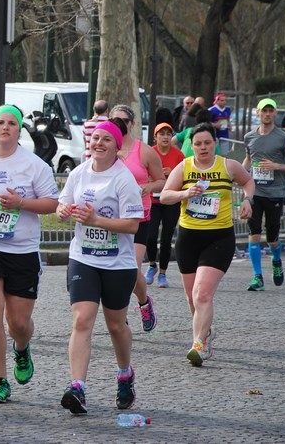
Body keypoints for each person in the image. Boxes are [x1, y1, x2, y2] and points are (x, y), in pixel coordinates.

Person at [0, 105, 59, 404]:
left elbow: (52, 204)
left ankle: (21, 346)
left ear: (19, 130)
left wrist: (20, 203)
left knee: (18, 323)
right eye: (0, 122)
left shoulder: (34, 165)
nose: (5, 127)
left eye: (11, 123)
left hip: (21, 248)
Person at [55, 119, 144, 414]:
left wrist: (96, 221)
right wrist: (64, 210)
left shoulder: (124, 179)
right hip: (83, 257)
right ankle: (77, 387)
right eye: (95, 139)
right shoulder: (78, 174)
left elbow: (132, 225)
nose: (98, 144)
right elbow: (60, 207)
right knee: (82, 320)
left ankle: (124, 374)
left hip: (118, 263)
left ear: (117, 147)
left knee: (116, 325)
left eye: (106, 140)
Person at [159, 122, 254, 367]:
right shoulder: (184, 167)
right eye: (198, 143)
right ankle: (205, 335)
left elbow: (248, 181)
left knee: (202, 293)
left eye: (207, 143)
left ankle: (198, 344)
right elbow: (165, 195)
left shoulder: (228, 166)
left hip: (219, 238)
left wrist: (247, 201)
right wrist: (184, 193)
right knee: (192, 298)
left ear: (215, 144)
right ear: (192, 145)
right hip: (188, 238)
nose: (202, 148)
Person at [109, 104, 165, 333]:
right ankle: (120, 318)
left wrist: (147, 187)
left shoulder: (144, 151)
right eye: (114, 120)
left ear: (132, 124)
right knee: (112, 269)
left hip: (138, 217)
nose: (119, 124)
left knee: (130, 269)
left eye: (123, 120)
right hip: (111, 218)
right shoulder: (105, 147)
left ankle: (143, 303)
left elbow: (161, 180)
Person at [242, 98, 285, 292]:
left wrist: (276, 166)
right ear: (258, 113)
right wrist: (239, 176)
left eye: (270, 111)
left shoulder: (282, 137)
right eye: (263, 111)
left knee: (272, 238)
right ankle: (257, 277)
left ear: (275, 114)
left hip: (275, 193)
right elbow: (248, 159)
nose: (267, 114)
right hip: (255, 193)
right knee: (253, 234)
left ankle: (276, 259)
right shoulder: (249, 136)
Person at [145, 122, 186, 288]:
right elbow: (142, 172)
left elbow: (185, 177)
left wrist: (172, 175)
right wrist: (154, 177)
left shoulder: (178, 155)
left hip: (170, 201)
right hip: (153, 200)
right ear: (155, 137)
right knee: (151, 236)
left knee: (167, 238)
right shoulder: (149, 153)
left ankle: (162, 273)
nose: (165, 137)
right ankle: (152, 265)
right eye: (161, 134)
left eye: (168, 134)